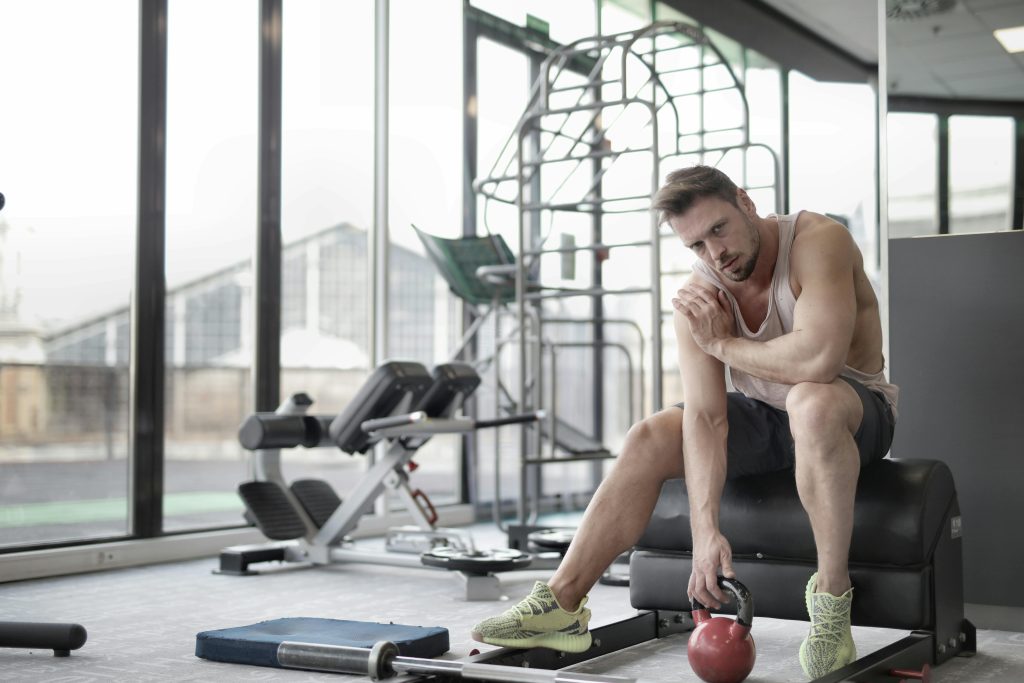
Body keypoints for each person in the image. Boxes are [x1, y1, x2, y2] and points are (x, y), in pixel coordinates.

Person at [469, 165, 898, 680]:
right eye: (696, 245)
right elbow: (705, 416)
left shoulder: (817, 240)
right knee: (652, 433)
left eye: (718, 229)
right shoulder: (701, 296)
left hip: (851, 409)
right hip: (767, 416)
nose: (715, 253)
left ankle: (831, 603)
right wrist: (705, 534)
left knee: (811, 401)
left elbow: (819, 361)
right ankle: (561, 604)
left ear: (745, 202)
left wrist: (722, 344)